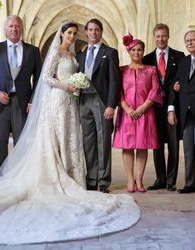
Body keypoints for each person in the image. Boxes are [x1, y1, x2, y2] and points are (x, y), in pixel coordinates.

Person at [0, 21, 140, 244]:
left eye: (75, 33)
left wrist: (75, 87)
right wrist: (68, 87)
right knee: (54, 140)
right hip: (57, 100)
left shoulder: (77, 53)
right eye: (69, 33)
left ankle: (77, 176)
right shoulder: (55, 51)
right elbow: (45, 77)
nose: (72, 36)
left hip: (71, 104)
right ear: (62, 34)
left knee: (70, 139)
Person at [0, 15, 42, 171]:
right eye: (10, 26)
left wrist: (32, 101)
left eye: (17, 26)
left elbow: (39, 79)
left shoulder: (33, 51)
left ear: (22, 29)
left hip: (23, 103)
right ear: (5, 29)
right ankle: (1, 179)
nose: (14, 29)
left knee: (22, 144)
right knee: (0, 143)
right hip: (0, 103)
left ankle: (19, 179)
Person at [113, 33, 163, 193]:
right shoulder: (122, 71)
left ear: (143, 52)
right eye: (133, 50)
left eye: (140, 50)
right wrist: (127, 108)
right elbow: (117, 91)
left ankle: (139, 179)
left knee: (142, 146)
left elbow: (155, 90)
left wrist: (142, 108)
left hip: (145, 112)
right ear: (129, 52)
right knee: (127, 147)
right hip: (126, 112)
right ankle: (129, 180)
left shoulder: (151, 70)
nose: (137, 53)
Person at [77, 18, 120, 193]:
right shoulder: (81, 54)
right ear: (86, 32)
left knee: (103, 141)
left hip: (101, 100)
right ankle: (91, 178)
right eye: (90, 30)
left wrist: (111, 105)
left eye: (97, 30)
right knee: (88, 141)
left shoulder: (110, 53)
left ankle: (103, 180)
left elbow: (114, 81)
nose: (93, 33)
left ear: (101, 32)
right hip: (83, 100)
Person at [168, 30, 195, 196]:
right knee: (188, 149)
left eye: (193, 40)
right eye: (187, 41)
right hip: (185, 112)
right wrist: (171, 109)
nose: (190, 43)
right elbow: (174, 85)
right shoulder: (183, 62)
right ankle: (190, 183)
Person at [143, 23, 185, 191]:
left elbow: (183, 77)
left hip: (173, 107)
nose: (161, 39)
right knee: (157, 144)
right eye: (158, 36)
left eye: (164, 36)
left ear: (168, 36)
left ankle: (170, 181)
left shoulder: (179, 56)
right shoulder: (147, 59)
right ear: (154, 38)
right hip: (154, 107)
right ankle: (160, 178)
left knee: (173, 144)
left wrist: (180, 85)